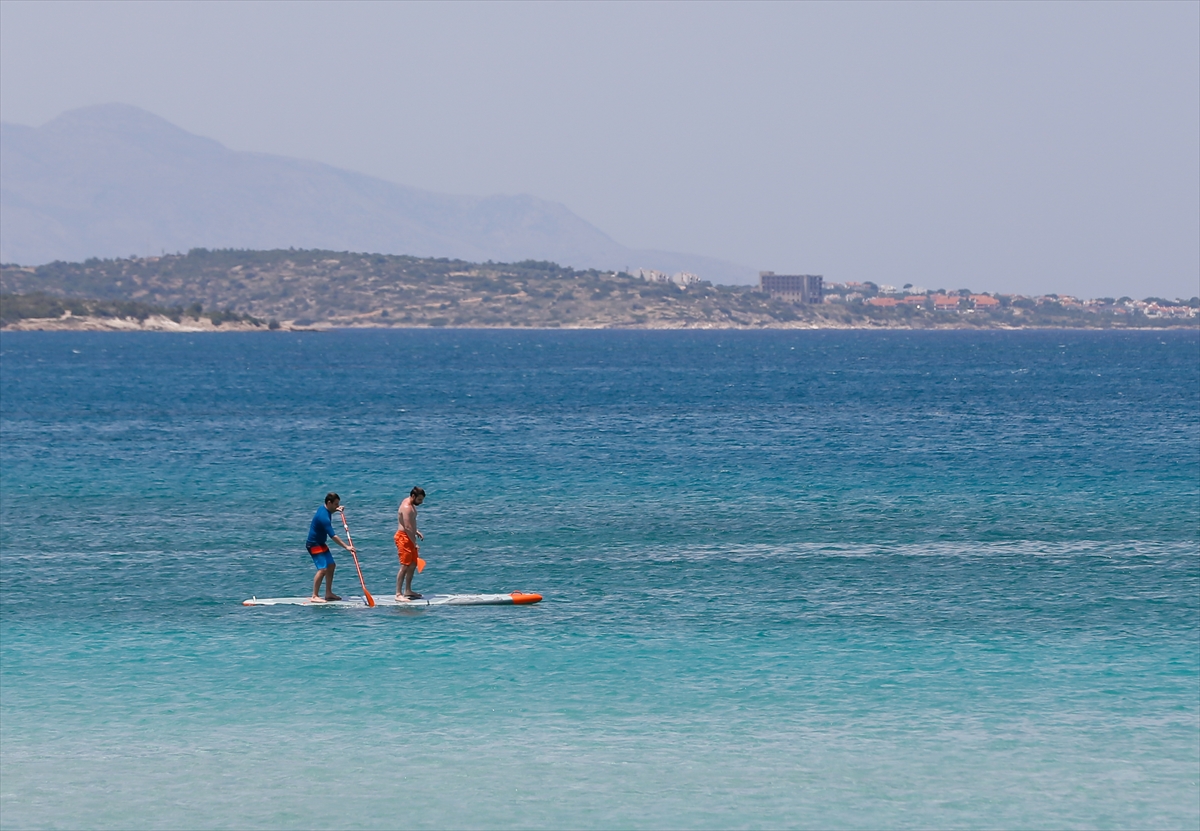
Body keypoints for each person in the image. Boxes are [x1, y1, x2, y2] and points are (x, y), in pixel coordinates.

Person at [306, 492, 355, 603]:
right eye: (336, 504)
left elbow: (331, 510)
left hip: (321, 543)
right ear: (329, 503)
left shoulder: (325, 509)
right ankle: (314, 596)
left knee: (331, 565)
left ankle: (328, 593)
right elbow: (333, 536)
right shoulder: (324, 517)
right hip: (314, 544)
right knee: (323, 569)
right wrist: (347, 547)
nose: (337, 506)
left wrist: (337, 509)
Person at [394, 487, 426, 600]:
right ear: (413, 496)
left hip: (409, 536)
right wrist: (414, 543)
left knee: (413, 564)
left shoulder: (410, 503)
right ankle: (398, 594)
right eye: (419, 499)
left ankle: (408, 590)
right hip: (404, 538)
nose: (421, 502)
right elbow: (407, 527)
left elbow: (408, 522)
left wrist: (416, 531)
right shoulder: (407, 507)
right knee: (405, 565)